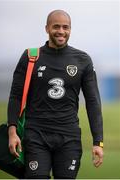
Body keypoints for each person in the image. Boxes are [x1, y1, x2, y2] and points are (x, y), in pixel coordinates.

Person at [7, 9, 103, 179]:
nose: (61, 31)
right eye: (56, 26)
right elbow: (15, 95)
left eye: (65, 27)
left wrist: (98, 142)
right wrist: (12, 132)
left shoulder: (83, 60)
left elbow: (93, 101)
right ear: (47, 28)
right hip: (36, 135)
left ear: (70, 29)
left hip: (69, 137)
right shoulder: (31, 57)